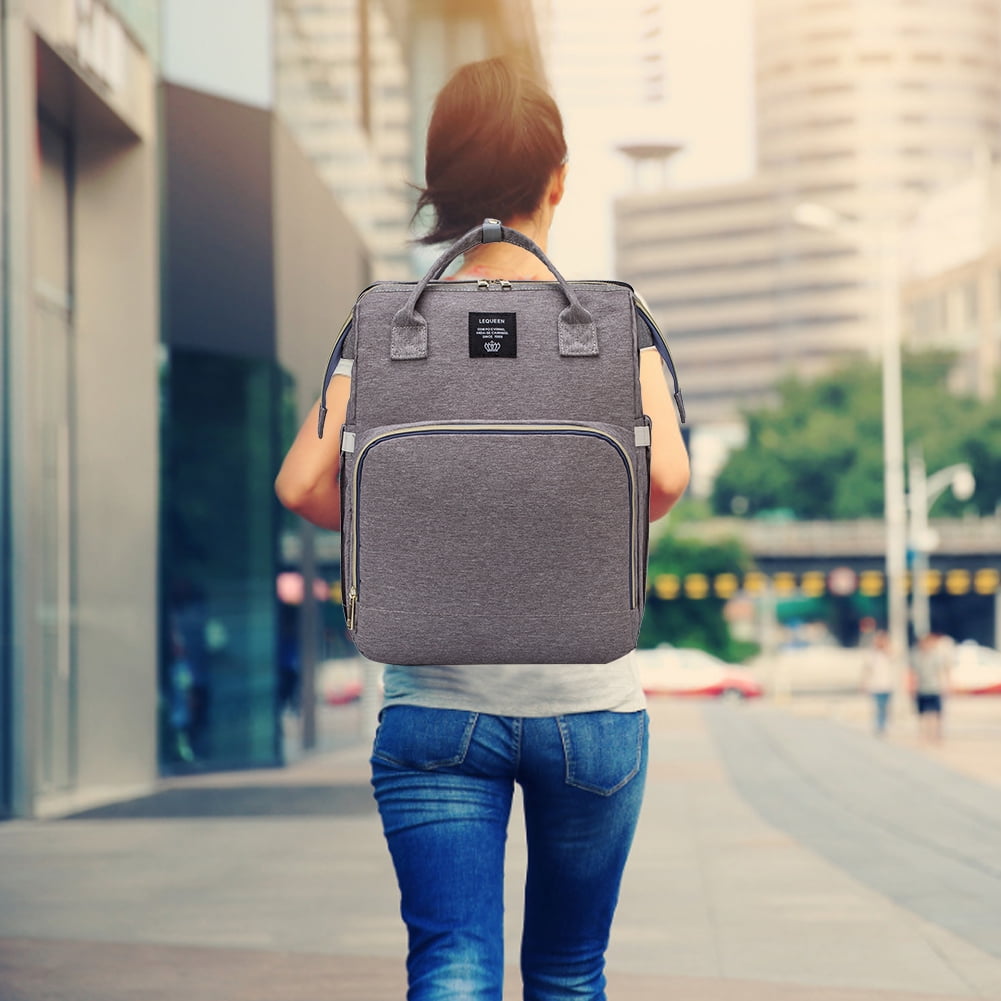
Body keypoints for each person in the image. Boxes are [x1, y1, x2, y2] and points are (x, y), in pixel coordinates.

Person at [275, 57, 690, 1001]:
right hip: (590, 706)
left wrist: (425, 509)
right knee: (566, 970)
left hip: (436, 707)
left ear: (440, 188)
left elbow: (303, 481)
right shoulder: (613, 325)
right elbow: (663, 477)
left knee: (452, 964)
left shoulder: (387, 328)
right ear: (559, 179)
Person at [910, 632, 952, 743]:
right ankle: (923, 735)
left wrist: (946, 685)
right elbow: (913, 673)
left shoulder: (936, 656)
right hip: (921, 688)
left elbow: (942, 671)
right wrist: (912, 687)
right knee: (922, 715)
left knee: (936, 714)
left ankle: (936, 735)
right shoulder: (916, 656)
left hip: (934, 688)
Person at [860, 630, 893, 736]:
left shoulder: (889, 652)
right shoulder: (871, 654)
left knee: (885, 707)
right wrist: (864, 683)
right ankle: (879, 725)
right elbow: (867, 669)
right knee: (878, 706)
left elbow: (896, 658)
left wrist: (886, 648)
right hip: (876, 685)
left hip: (887, 684)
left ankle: (884, 724)